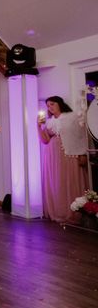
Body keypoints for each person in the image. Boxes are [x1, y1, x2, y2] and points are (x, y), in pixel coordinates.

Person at [38, 95, 89, 223]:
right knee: (57, 182)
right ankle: (58, 211)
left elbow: (80, 136)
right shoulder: (49, 122)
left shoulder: (71, 117)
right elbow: (45, 140)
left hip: (69, 153)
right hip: (52, 155)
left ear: (60, 104)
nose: (50, 108)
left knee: (70, 180)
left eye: (52, 104)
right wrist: (39, 126)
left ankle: (74, 212)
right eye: (48, 106)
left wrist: (82, 153)